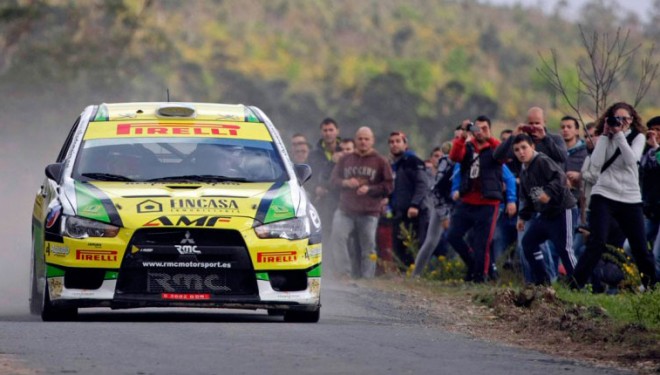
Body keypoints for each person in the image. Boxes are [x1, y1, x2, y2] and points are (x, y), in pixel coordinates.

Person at [571, 102, 657, 290]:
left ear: (632, 120)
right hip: (604, 194)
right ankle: (574, 284)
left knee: (640, 247)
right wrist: (604, 136)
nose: (621, 123)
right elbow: (595, 163)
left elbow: (631, 160)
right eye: (617, 119)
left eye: (625, 119)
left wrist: (618, 135)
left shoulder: (638, 137)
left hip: (630, 198)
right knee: (597, 242)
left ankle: (652, 288)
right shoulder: (605, 137)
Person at [495, 107, 568, 282]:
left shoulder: (554, 139)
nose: (534, 127)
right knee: (524, 245)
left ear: (544, 122)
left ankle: (550, 282)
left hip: (549, 200)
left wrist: (545, 138)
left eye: (537, 123)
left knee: (546, 247)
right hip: (527, 199)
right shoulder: (522, 142)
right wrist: (514, 135)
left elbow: (563, 157)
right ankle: (532, 283)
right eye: (531, 123)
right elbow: (498, 155)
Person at [329, 127, 393, 279]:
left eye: (366, 139)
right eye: (360, 139)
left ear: (372, 141)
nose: (363, 142)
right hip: (346, 209)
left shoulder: (380, 161)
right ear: (355, 140)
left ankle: (367, 278)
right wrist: (345, 182)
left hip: (369, 211)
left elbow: (389, 186)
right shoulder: (346, 159)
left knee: (368, 246)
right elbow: (332, 181)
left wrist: (370, 189)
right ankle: (344, 273)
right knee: (337, 237)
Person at [513, 133, 577, 285]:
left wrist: (547, 192)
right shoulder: (524, 171)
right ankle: (543, 282)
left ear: (532, 147)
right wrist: (522, 217)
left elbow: (560, 178)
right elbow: (527, 198)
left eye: (524, 147)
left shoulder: (541, 160)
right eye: (516, 150)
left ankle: (579, 284)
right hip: (546, 215)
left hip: (563, 210)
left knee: (565, 250)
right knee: (528, 243)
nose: (521, 152)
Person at [446, 116, 504, 282]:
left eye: (484, 128)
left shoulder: (494, 148)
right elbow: (455, 156)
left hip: (488, 203)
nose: (480, 132)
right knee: (453, 235)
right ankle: (473, 266)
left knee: (482, 243)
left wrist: (489, 138)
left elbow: (504, 155)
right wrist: (463, 135)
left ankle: (480, 277)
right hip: (467, 201)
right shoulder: (468, 147)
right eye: (477, 128)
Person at [388, 131, 431, 268]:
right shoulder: (394, 164)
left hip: (415, 213)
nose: (394, 144)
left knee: (415, 247)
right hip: (399, 212)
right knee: (399, 247)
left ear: (405, 144)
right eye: (391, 142)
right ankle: (403, 276)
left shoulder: (413, 161)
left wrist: (415, 205)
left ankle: (417, 276)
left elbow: (422, 184)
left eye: (397, 141)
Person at [307, 118, 343, 238]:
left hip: (342, 201)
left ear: (337, 131)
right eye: (325, 130)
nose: (328, 133)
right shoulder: (313, 155)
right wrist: (315, 189)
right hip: (321, 202)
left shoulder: (346, 150)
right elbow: (307, 178)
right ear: (321, 132)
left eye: (331, 130)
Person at [640, 116, 660, 278]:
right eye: (652, 130)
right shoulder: (646, 153)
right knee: (630, 246)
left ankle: (654, 291)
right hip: (651, 210)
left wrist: (656, 148)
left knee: (657, 255)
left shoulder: (655, 152)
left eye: (659, 130)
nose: (655, 134)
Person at [561, 115, 588, 230]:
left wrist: (579, 176)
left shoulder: (585, 152)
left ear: (576, 130)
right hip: (560, 202)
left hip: (580, 202)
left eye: (569, 127)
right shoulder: (557, 151)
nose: (565, 130)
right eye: (562, 127)